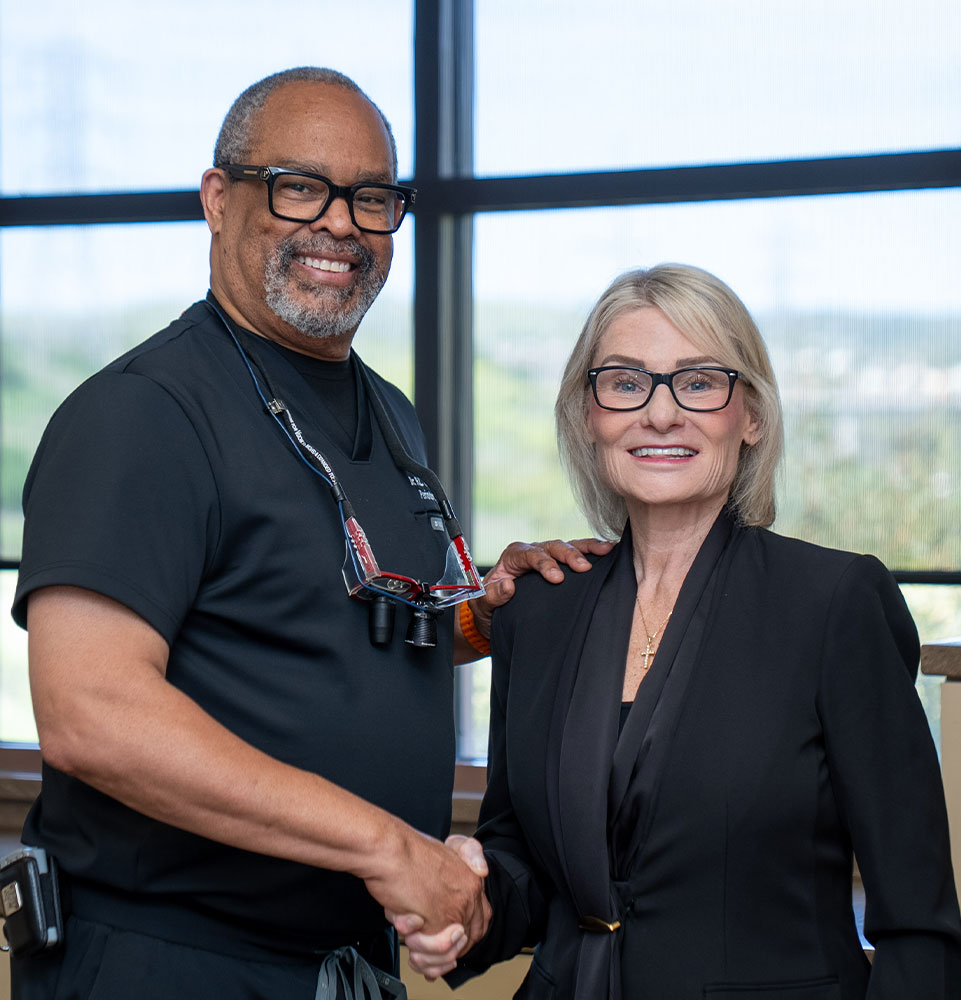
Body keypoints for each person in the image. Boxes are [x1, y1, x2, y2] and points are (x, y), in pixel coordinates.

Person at [7, 67, 607, 999]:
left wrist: (483, 612)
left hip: (341, 964)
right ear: (218, 199)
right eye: (299, 187)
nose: (340, 224)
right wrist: (385, 846)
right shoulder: (144, 414)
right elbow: (94, 718)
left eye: (371, 198)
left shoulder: (389, 416)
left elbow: (330, 624)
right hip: (167, 960)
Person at [401, 263, 961, 998]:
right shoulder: (538, 610)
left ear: (750, 415)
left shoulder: (835, 603)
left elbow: (918, 923)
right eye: (624, 382)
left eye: (698, 382)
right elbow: (523, 861)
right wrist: (467, 902)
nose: (660, 414)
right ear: (588, 415)